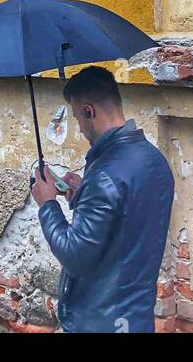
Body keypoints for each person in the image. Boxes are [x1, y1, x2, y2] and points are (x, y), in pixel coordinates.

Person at [30, 65, 174, 333]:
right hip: (136, 320)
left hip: (98, 322)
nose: (81, 128)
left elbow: (75, 256)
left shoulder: (105, 175)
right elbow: (127, 221)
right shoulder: (154, 160)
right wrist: (85, 190)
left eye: (77, 118)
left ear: (89, 111)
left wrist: (48, 204)